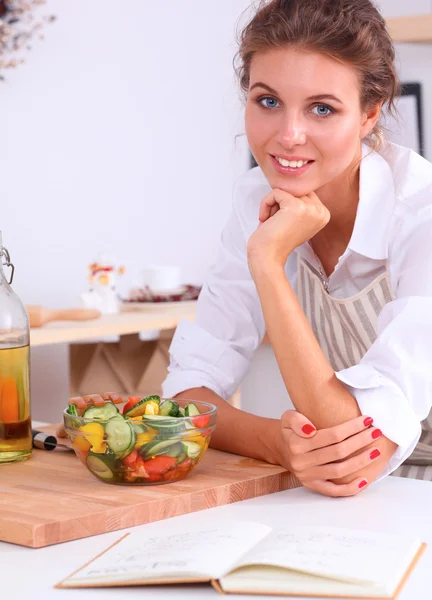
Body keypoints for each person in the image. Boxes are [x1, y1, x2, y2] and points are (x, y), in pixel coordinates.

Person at [162, 0, 432, 497]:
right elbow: (185, 397)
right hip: (360, 493)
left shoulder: (422, 215)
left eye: (322, 108)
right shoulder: (254, 198)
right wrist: (278, 443)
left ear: (370, 115)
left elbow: (352, 457)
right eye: (268, 101)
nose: (288, 136)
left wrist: (267, 262)